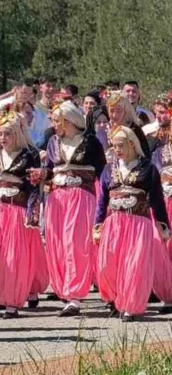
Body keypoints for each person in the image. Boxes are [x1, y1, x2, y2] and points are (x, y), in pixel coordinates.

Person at [30, 101, 105, 316]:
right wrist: (42, 173)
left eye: (56, 120)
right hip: (57, 198)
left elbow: (103, 173)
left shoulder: (90, 142)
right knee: (57, 243)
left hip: (81, 197)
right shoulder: (53, 142)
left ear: (69, 120)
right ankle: (64, 288)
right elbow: (51, 170)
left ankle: (75, 295)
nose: (53, 124)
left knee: (75, 242)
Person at [95, 125, 171, 321]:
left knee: (134, 265)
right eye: (114, 146)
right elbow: (102, 200)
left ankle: (131, 306)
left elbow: (157, 200)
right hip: (114, 224)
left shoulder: (148, 168)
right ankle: (115, 298)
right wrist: (97, 225)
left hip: (138, 224)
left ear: (131, 144)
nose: (117, 150)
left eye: (121, 145)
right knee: (107, 264)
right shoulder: (108, 169)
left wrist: (163, 226)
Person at [0, 109, 45, 318]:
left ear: (17, 134)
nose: (3, 138)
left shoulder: (29, 156)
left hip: (17, 210)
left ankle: (12, 302)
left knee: (13, 256)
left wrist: (32, 214)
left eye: (8, 133)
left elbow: (33, 188)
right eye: (0, 133)